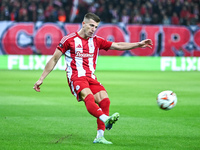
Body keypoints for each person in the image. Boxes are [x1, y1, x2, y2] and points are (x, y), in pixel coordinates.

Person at [33, 12, 153, 144]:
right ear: (83, 24)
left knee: (105, 101)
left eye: (96, 27)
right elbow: (54, 58)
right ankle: (105, 119)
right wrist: (41, 78)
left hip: (91, 77)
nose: (93, 29)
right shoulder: (69, 40)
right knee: (88, 97)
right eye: (91, 26)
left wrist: (138, 44)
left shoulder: (96, 41)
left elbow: (117, 45)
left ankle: (100, 136)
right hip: (76, 77)